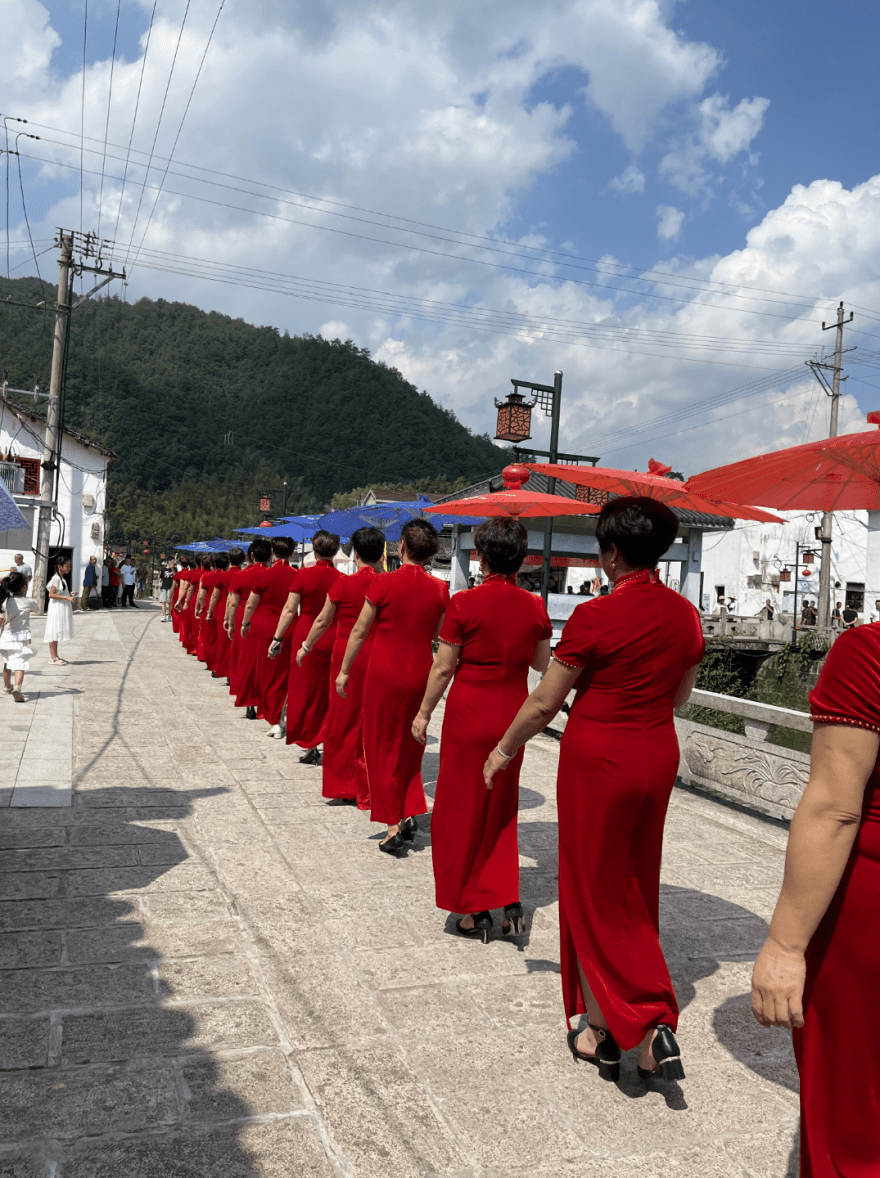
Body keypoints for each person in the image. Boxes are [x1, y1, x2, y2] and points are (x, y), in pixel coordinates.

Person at [483, 498, 704, 1081]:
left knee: (589, 884)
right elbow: (680, 699)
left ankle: (644, 1019)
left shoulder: (593, 617)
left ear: (609, 553)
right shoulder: (687, 616)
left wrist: (503, 749)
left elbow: (543, 702)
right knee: (632, 879)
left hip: (599, 757)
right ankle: (604, 1022)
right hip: (656, 752)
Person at [751, 624, 880, 1176]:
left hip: (867, 912)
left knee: (855, 1120)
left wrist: (784, 944)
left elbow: (835, 808)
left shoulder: (869, 651)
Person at [412, 517, 552, 941]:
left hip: (469, 714)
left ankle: (474, 909)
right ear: (521, 560)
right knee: (500, 808)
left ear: (481, 556)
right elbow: (542, 665)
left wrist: (423, 714)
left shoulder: (464, 604)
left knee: (460, 811)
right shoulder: (534, 607)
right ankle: (507, 895)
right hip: (512, 717)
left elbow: (442, 668)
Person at [338, 519, 449, 854]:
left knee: (380, 746)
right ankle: (411, 807)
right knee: (410, 746)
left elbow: (359, 631)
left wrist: (344, 670)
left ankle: (392, 825)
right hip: (420, 673)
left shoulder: (383, 584)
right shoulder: (440, 590)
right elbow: (440, 638)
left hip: (384, 672)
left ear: (401, 546)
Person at [289, 526, 385, 802]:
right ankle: (371, 782)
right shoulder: (387, 583)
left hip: (347, 655)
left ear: (355, 554)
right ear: (381, 555)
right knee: (373, 721)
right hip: (379, 653)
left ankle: (345, 785)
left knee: (343, 719)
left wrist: (305, 646)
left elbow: (321, 620)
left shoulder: (343, 584)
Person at [275, 530, 343, 761]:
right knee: (326, 692)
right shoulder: (342, 578)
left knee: (304, 691)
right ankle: (322, 738)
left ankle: (309, 740)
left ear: (314, 551)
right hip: (333, 634)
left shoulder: (303, 575)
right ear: (335, 551)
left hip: (306, 633)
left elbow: (289, 609)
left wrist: (277, 637)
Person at [239, 536, 298, 737]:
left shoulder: (264, 575)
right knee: (285, 674)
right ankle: (281, 715)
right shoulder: (297, 575)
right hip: (290, 626)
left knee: (267, 673)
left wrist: (245, 622)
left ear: (273, 552)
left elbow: (250, 604)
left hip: (265, 626)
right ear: (292, 553)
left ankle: (275, 719)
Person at [225, 538, 271, 717]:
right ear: (270, 555)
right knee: (265, 663)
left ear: (251, 556)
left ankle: (249, 701)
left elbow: (233, 603)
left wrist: (229, 622)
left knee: (246, 661)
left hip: (245, 619)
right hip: (268, 619)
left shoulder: (240, 575)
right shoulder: (271, 574)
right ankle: (266, 702)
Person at [205, 547, 245, 680]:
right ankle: (233, 671)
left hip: (223, 608)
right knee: (236, 642)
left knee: (222, 641)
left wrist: (209, 611)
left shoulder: (222, 576)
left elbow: (214, 596)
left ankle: (221, 668)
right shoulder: (244, 574)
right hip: (240, 609)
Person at [0, 571, 38, 701]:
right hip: (20, 637)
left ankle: (6, 687)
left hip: (6, 636)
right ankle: (17, 687)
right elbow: (37, 608)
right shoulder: (28, 602)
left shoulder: (5, 602)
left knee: (7, 662)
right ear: (24, 587)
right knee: (20, 663)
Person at [45, 557, 75, 665]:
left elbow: (59, 593)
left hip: (59, 607)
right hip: (56, 608)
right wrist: (67, 598)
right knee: (53, 631)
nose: (69, 568)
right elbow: (51, 595)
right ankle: (53, 658)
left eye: (69, 566)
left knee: (56, 631)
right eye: (67, 566)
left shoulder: (61, 578)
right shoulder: (56, 579)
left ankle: (55, 656)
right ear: (59, 567)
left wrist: (69, 595)